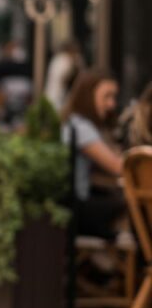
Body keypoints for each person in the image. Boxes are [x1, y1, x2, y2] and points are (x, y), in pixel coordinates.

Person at [61, 68, 125, 239]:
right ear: (88, 96)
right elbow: (119, 167)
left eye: (114, 97)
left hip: (72, 207)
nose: (112, 104)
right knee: (129, 204)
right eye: (107, 96)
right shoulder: (82, 129)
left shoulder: (72, 122)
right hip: (77, 211)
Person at [0, 40, 32, 127]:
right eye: (12, 48)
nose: (15, 51)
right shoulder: (0, 67)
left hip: (23, 107)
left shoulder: (27, 66)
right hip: (5, 105)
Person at [44, 41, 83, 112]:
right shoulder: (64, 60)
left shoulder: (57, 59)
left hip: (54, 97)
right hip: (59, 98)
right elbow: (65, 78)